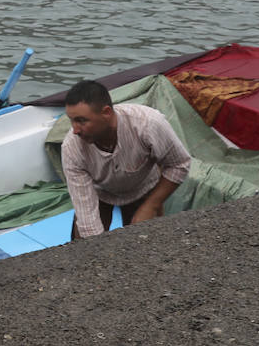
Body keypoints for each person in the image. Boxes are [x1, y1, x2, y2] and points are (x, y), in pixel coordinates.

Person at [61, 80, 192, 239]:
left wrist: (152, 205)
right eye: (71, 120)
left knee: (148, 246)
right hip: (99, 192)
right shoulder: (71, 148)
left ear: (107, 113)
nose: (75, 130)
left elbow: (179, 164)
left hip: (143, 187)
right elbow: (88, 221)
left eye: (82, 121)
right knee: (83, 247)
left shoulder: (149, 124)